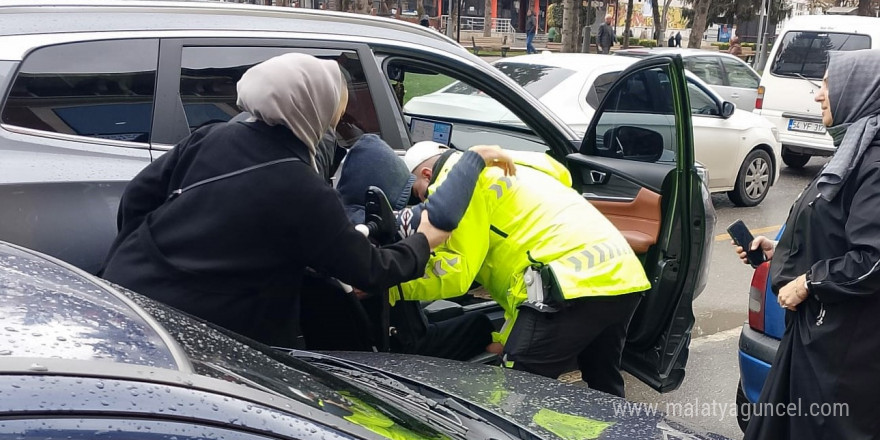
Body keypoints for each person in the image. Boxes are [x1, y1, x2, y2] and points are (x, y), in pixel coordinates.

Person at [99, 53, 453, 350]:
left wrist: (140, 250)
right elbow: (370, 270)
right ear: (311, 108)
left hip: (128, 289)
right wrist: (424, 239)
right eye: (334, 111)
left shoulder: (212, 136)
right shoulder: (301, 186)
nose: (334, 123)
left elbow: (137, 197)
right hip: (203, 330)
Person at [391, 142, 651, 397]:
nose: (425, 210)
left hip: (568, 286)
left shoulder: (456, 185)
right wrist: (506, 338)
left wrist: (390, 283)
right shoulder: (520, 167)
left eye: (420, 196)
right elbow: (525, 257)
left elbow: (456, 272)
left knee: (514, 396)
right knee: (604, 384)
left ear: (427, 175)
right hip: (622, 273)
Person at [734, 50, 880, 440]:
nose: (819, 95)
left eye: (829, 85)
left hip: (842, 356)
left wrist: (808, 282)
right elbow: (830, 228)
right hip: (816, 338)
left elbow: (873, 259)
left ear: (861, 91)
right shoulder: (855, 152)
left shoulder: (875, 164)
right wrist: (779, 250)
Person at [334, 135, 516, 360]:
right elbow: (451, 263)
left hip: (364, 341)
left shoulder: (337, 226)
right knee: (479, 324)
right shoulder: (379, 230)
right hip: (407, 347)